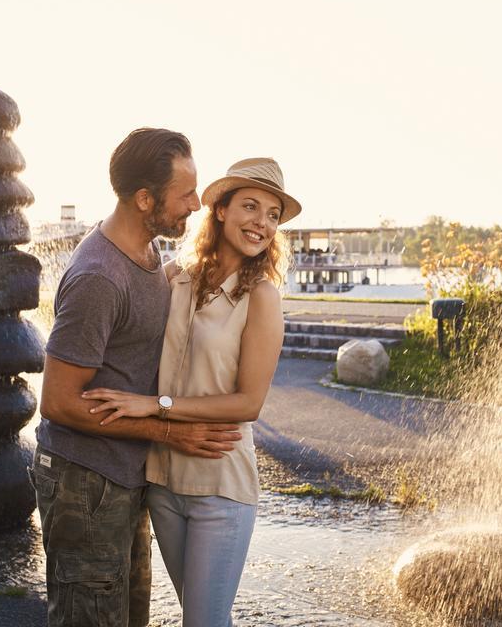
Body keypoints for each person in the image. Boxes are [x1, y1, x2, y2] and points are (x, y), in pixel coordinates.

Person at [31, 128, 243, 627]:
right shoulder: (99, 278)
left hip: (122, 476)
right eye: (185, 193)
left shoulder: (149, 256)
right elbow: (58, 402)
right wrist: (169, 431)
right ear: (145, 198)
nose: (196, 204)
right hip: (83, 482)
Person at [83, 157, 301, 627]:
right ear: (220, 210)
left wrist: (155, 406)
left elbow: (249, 403)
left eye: (272, 215)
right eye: (250, 206)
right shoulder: (173, 277)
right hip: (162, 483)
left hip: (220, 490)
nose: (261, 223)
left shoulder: (261, 297)